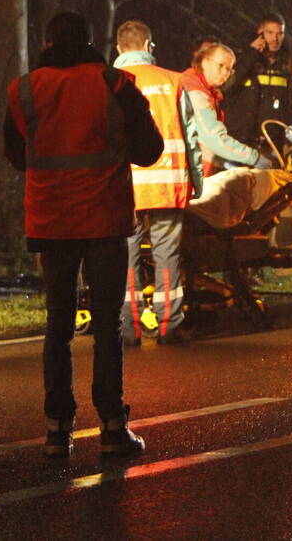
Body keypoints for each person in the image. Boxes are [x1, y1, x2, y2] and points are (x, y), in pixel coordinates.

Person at [3, 11, 163, 457]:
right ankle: (112, 427)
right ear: (91, 41)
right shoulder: (115, 84)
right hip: (104, 220)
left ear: (48, 43)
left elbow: (15, 154)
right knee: (108, 325)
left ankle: (57, 429)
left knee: (58, 323)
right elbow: (149, 150)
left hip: (52, 222)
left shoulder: (25, 89)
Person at [113, 20, 202, 345]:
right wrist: (197, 181)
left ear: (119, 48)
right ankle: (169, 326)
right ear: (149, 45)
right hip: (168, 183)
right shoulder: (174, 81)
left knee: (126, 258)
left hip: (125, 188)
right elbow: (191, 137)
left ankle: (129, 328)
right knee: (167, 256)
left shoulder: (112, 82)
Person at [181, 42, 271, 177]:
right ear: (204, 62)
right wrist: (255, 158)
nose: (225, 73)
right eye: (221, 66)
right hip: (184, 173)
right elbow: (214, 138)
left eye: (229, 69)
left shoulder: (206, 91)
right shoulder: (195, 92)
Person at [222, 13, 292, 153]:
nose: (275, 38)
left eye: (280, 33)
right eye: (270, 33)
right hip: (242, 141)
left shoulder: (287, 66)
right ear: (260, 33)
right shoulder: (244, 60)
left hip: (275, 143)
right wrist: (251, 53)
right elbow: (228, 86)